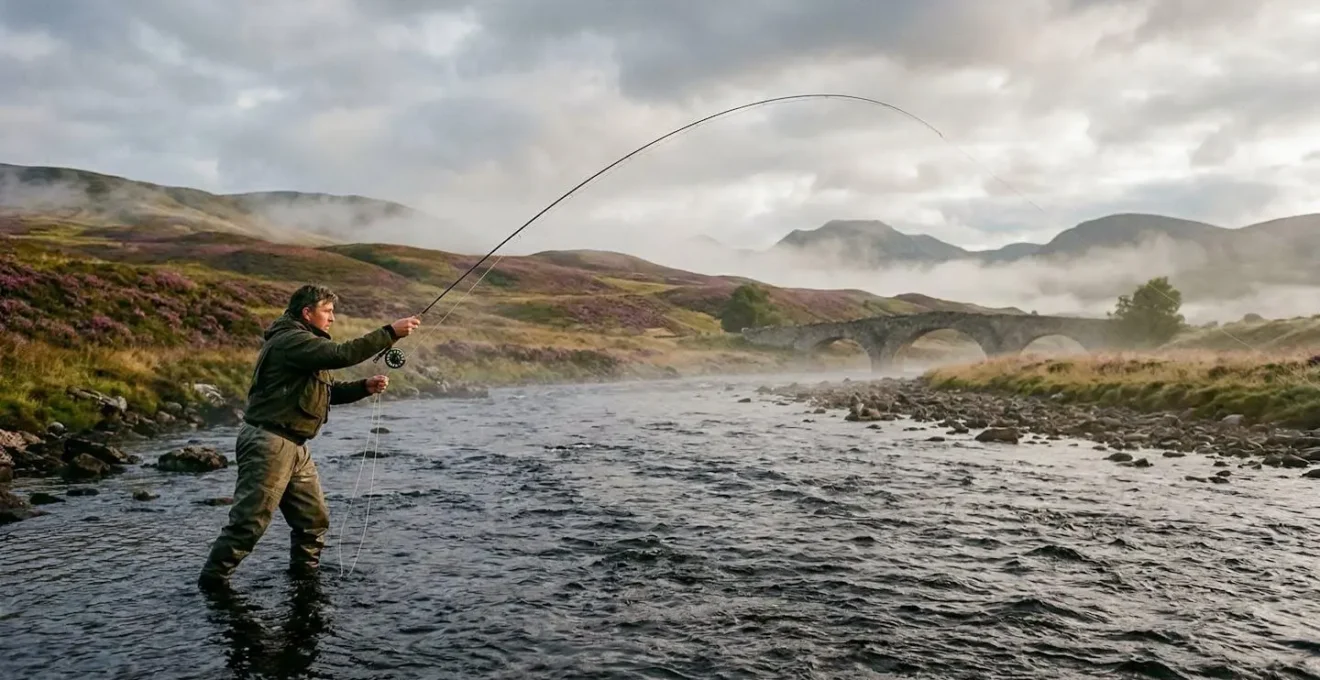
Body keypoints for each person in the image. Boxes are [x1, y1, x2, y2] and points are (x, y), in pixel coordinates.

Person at [198, 284, 420, 590]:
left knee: (313, 522)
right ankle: (212, 586)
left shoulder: (302, 344)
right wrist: (389, 332)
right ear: (307, 313)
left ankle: (304, 583)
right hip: (270, 442)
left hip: (293, 446)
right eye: (327, 311)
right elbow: (343, 354)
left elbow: (322, 393)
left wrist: (363, 387)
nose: (332, 319)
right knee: (248, 525)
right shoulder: (292, 341)